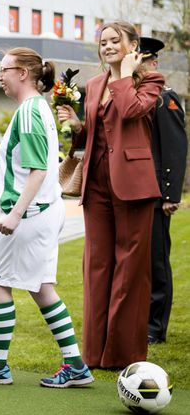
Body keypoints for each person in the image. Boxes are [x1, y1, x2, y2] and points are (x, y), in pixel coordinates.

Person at [0, 47, 93, 388]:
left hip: (28, 216)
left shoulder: (29, 111)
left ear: (23, 73)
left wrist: (14, 214)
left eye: (4, 70)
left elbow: (38, 170)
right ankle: (76, 365)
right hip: (41, 212)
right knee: (41, 289)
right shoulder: (38, 108)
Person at [57, 21, 164, 369]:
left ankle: (122, 353)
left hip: (133, 184)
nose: (107, 47)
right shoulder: (93, 84)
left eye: (115, 41)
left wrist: (125, 74)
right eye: (103, 42)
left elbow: (131, 110)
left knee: (130, 269)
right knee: (97, 266)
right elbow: (96, 131)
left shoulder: (150, 81)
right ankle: (93, 353)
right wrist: (77, 125)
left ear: (133, 46)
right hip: (96, 183)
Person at [138, 36, 187, 345]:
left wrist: (170, 195)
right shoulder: (136, 96)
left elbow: (174, 147)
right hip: (137, 190)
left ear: (154, 62)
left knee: (157, 262)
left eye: (143, 61)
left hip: (157, 194)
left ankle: (156, 326)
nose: (138, 67)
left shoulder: (163, 98)